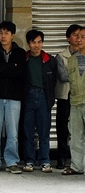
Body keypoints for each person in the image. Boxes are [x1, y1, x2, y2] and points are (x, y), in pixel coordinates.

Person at [21, 29, 67, 173]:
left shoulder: (50, 60)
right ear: (28, 43)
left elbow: (54, 81)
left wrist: (50, 99)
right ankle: (29, 160)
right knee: (28, 131)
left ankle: (45, 161)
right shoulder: (24, 59)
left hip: (43, 97)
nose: (37, 45)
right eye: (33, 42)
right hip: (28, 96)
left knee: (44, 131)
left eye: (39, 42)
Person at [0, 21, 27, 174]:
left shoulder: (20, 53)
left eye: (6, 33)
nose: (3, 36)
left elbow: (20, 72)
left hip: (14, 97)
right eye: (1, 33)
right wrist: (11, 67)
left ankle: (11, 162)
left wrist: (1, 68)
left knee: (13, 132)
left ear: (12, 35)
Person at [54, 24, 82, 170]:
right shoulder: (61, 56)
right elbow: (63, 76)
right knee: (63, 128)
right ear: (67, 38)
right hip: (65, 96)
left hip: (80, 97)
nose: (78, 38)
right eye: (75, 35)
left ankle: (78, 160)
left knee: (79, 129)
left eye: (80, 36)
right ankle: (62, 157)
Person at [63, 27, 85, 176]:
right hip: (76, 102)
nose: (79, 39)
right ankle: (77, 166)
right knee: (76, 136)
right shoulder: (71, 60)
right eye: (77, 37)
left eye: (83, 37)